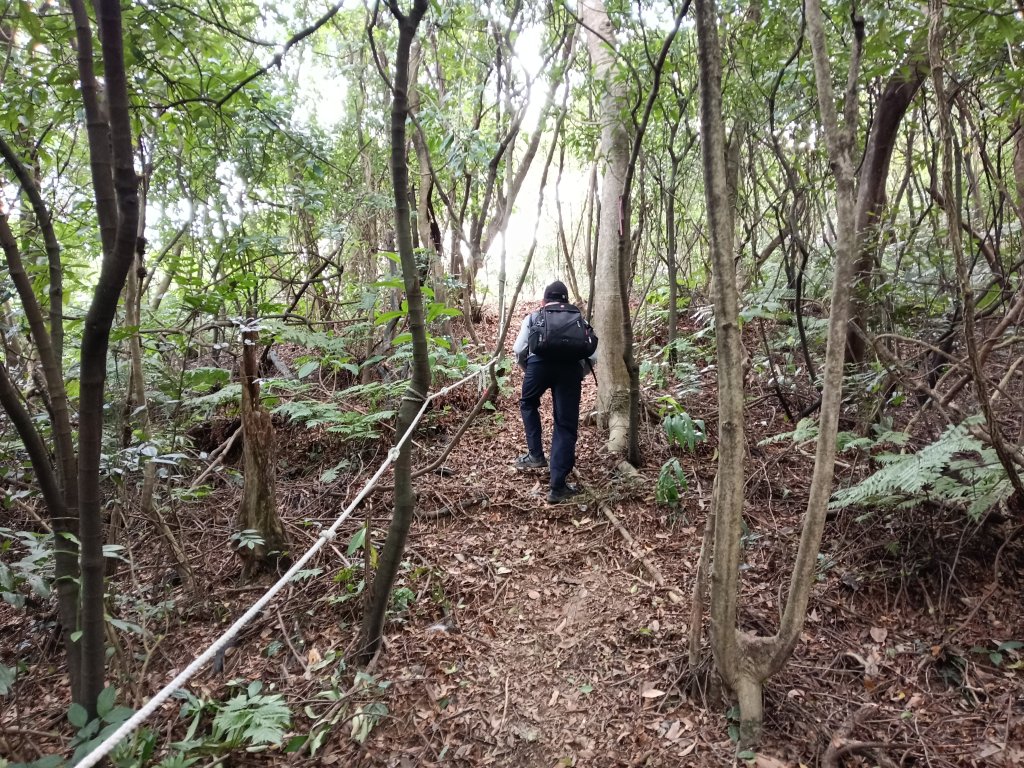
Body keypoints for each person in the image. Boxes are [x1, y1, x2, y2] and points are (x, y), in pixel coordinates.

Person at [512, 280, 596, 503]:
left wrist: (529, 369)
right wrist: (579, 374)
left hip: (538, 366)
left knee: (528, 403)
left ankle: (535, 455)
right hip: (570, 370)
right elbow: (592, 354)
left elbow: (519, 349)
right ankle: (558, 486)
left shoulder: (533, 317)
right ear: (567, 301)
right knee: (565, 425)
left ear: (544, 301)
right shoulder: (579, 319)